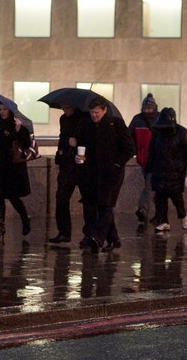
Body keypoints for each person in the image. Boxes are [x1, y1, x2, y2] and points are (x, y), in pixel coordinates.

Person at [76, 95, 134, 254]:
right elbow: (85, 146)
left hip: (113, 173)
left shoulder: (115, 124)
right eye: (92, 112)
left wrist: (116, 163)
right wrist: (79, 156)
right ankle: (114, 240)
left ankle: (97, 237)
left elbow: (129, 148)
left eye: (97, 112)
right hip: (95, 173)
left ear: (104, 110)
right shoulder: (88, 125)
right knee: (102, 206)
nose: (94, 115)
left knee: (106, 205)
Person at [145, 107, 187, 232]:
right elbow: (152, 151)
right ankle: (163, 221)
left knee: (176, 197)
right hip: (160, 170)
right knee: (160, 198)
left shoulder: (182, 133)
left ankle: (183, 215)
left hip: (175, 171)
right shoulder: (157, 133)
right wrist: (148, 167)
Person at [0, 102, 32, 241]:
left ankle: (25, 218)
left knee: (12, 196)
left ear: (10, 111)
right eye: (0, 110)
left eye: (5, 109)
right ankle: (1, 228)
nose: (2, 112)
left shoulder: (18, 125)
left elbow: (26, 144)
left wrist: (18, 130)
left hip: (13, 167)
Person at [48, 104, 91, 244]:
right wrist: (59, 159)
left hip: (82, 166)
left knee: (88, 200)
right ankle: (64, 232)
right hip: (67, 165)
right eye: (63, 107)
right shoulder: (63, 119)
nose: (64, 110)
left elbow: (91, 141)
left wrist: (77, 144)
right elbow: (62, 139)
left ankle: (89, 233)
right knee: (61, 198)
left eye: (67, 107)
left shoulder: (85, 119)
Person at [128, 93, 159, 224]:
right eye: (146, 108)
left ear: (155, 108)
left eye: (150, 108)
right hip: (143, 159)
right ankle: (158, 214)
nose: (147, 111)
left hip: (157, 159)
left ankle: (143, 209)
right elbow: (129, 136)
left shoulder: (159, 119)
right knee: (153, 186)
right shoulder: (137, 119)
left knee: (150, 185)